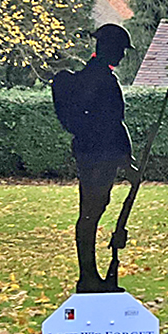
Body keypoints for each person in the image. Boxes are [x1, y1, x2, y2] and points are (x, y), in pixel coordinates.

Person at [51, 24, 134, 293]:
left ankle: (89, 275)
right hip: (100, 154)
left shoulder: (94, 76)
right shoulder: (102, 80)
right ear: (108, 48)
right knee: (91, 213)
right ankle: (88, 276)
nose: (122, 55)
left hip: (93, 153)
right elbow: (113, 123)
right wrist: (127, 160)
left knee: (93, 210)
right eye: (120, 49)